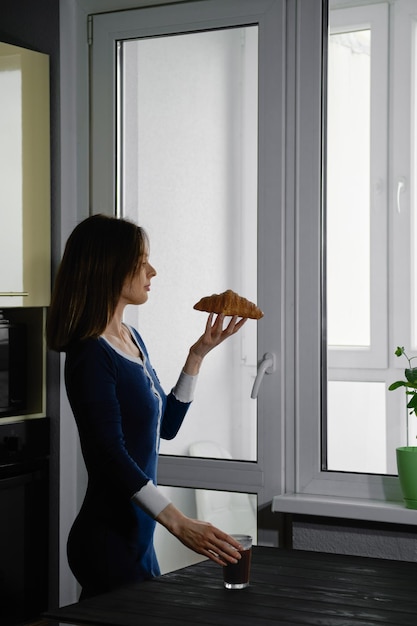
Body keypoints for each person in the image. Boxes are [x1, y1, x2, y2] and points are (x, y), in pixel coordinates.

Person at [46, 213, 248, 600]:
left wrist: (197, 354)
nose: (152, 271)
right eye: (141, 262)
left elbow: (166, 426)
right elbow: (109, 455)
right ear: (110, 268)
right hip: (108, 538)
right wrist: (178, 522)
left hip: (138, 536)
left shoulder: (130, 338)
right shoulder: (90, 353)